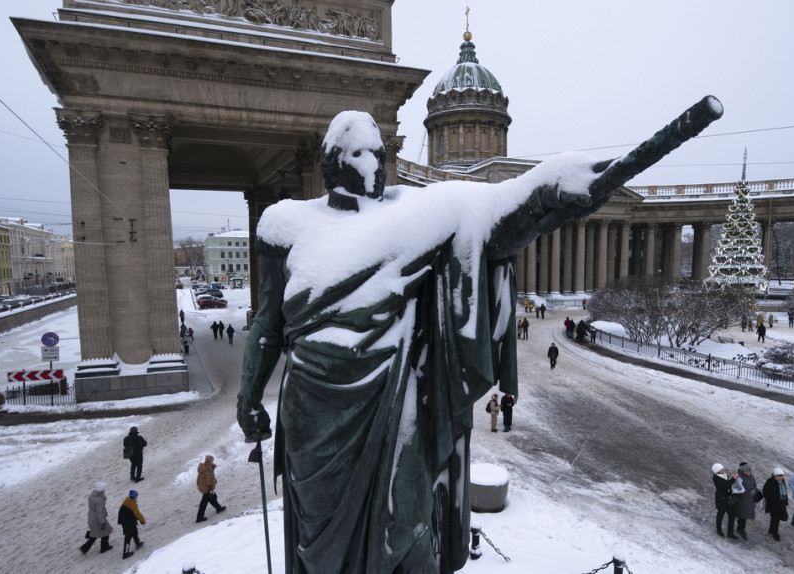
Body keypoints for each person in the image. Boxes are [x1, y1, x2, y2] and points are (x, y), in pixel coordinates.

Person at [236, 110, 622, 574]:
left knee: (408, 526)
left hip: (395, 402)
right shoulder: (285, 225)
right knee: (319, 550)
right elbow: (268, 325)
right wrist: (248, 395)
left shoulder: (416, 213)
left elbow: (497, 216)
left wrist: (549, 191)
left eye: (379, 155)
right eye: (360, 155)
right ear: (333, 161)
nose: (374, 166)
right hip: (312, 416)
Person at [80, 482, 114, 554]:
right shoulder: (100, 500)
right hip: (97, 518)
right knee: (105, 532)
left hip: (91, 516)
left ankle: (84, 548)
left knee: (95, 534)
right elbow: (99, 512)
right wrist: (102, 522)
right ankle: (104, 548)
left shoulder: (92, 495)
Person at [711, 463, 739, 539]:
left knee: (732, 515)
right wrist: (734, 478)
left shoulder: (724, 475)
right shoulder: (716, 478)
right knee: (721, 514)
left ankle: (730, 532)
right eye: (721, 469)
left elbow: (728, 484)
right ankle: (719, 530)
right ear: (717, 471)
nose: (723, 470)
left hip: (729, 498)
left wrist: (732, 478)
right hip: (721, 499)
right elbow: (725, 485)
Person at [196, 455, 226, 523]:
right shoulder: (207, 470)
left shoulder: (204, 468)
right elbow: (209, 481)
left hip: (204, 487)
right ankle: (199, 518)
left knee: (212, 498)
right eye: (212, 461)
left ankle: (218, 508)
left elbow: (199, 479)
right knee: (205, 502)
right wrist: (214, 482)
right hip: (207, 488)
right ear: (210, 461)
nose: (213, 462)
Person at [117, 489, 146, 559]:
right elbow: (137, 514)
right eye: (137, 496)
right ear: (135, 496)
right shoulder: (132, 504)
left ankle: (137, 543)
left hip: (127, 520)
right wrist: (143, 521)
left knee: (135, 531)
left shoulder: (127, 501)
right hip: (128, 522)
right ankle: (125, 553)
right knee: (128, 537)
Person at [762, 468, 789, 541]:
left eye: (781, 476)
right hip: (774, 504)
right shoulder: (770, 482)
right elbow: (765, 491)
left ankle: (772, 530)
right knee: (775, 518)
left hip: (781, 503)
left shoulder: (782, 481)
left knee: (776, 518)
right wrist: (771, 499)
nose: (780, 478)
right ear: (775, 476)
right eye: (779, 476)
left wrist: (785, 500)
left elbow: (784, 491)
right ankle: (775, 533)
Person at [733, 462, 758, 540]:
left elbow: (755, 486)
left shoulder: (751, 477)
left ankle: (741, 528)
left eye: (749, 470)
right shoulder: (738, 477)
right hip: (741, 500)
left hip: (749, 500)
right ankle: (738, 529)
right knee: (740, 514)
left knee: (744, 515)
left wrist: (754, 490)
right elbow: (735, 487)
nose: (748, 471)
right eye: (746, 470)